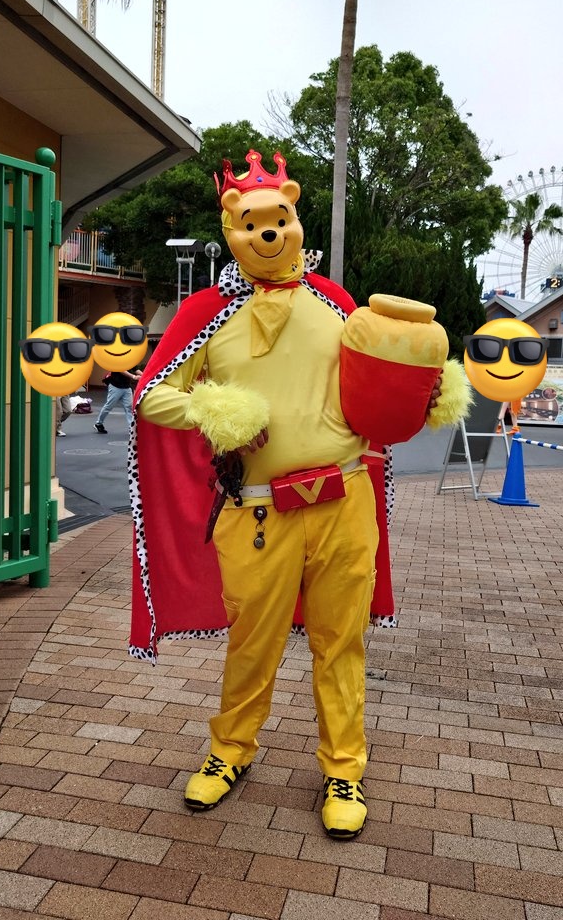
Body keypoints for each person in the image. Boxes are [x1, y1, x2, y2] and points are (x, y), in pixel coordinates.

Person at [129, 151, 462, 840]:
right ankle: (231, 750)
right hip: (256, 510)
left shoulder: (338, 304)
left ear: (296, 219)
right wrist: (218, 413)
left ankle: (344, 769)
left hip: (345, 502)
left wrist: (425, 395)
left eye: (279, 218)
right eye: (253, 222)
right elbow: (152, 394)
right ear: (231, 229)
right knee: (253, 643)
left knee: (342, 644)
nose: (269, 233)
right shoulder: (205, 312)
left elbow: (381, 380)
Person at [94, 368, 140, 434]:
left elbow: (135, 368)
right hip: (115, 386)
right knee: (109, 406)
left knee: (129, 407)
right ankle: (99, 423)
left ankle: (131, 428)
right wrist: (134, 376)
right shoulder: (118, 361)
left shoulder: (130, 361)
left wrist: (145, 375)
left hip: (127, 387)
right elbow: (120, 369)